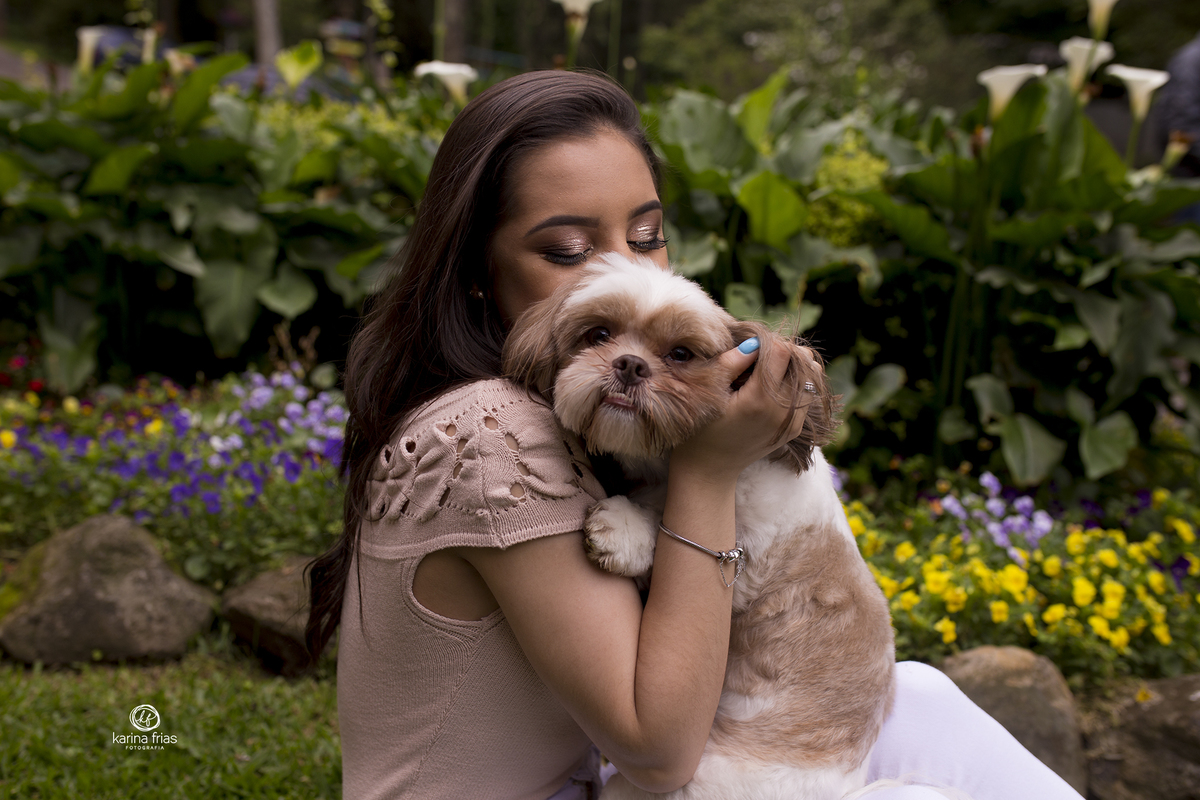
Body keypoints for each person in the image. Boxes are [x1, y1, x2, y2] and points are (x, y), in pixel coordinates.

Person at [305, 70, 1085, 800]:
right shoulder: (492, 430)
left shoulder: (532, 406)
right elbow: (657, 748)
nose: (621, 268)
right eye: (569, 252)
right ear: (474, 268)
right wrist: (709, 473)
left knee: (913, 694)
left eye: (645, 236)